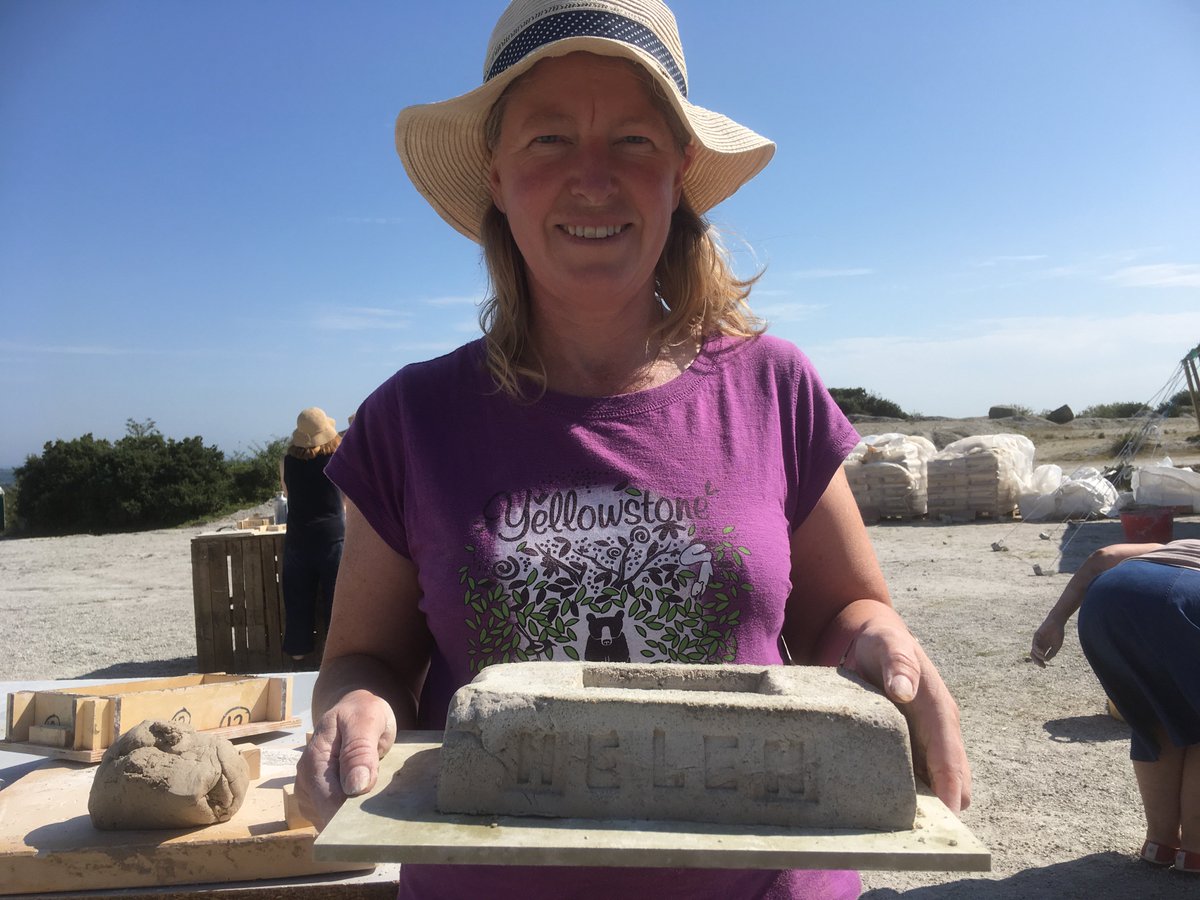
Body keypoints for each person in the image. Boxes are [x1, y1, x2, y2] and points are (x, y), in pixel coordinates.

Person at [297, 1, 971, 896]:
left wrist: (886, 644)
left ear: (678, 171)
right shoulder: (409, 418)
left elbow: (843, 613)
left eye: (633, 141)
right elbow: (366, 659)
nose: (592, 179)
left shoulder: (772, 385)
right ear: (497, 174)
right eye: (548, 140)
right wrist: (355, 704)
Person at [1032, 539, 1200, 874]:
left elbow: (1102, 557)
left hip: (1110, 598)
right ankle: (1195, 849)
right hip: (1185, 600)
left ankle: (1160, 842)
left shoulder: (1176, 544)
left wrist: (1055, 620)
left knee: (1156, 718)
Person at [279, 407, 345, 661]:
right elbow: (347, 500)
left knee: (297, 603)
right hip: (333, 539)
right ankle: (337, 659)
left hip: (298, 540)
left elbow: (287, 494)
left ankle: (297, 656)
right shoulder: (338, 460)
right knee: (337, 603)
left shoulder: (286, 462)